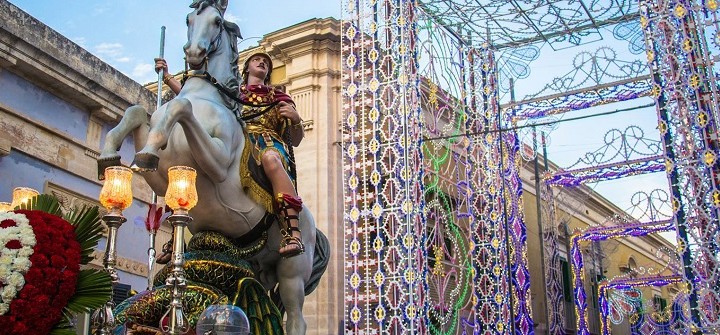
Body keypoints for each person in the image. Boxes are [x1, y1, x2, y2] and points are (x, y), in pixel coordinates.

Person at [155, 53, 306, 258]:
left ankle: (292, 230)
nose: (262, 62)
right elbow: (193, 98)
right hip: (236, 138)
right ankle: (176, 237)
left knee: (271, 161)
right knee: (190, 163)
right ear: (246, 68)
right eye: (256, 60)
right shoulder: (230, 92)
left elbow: (295, 139)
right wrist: (167, 77)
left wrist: (296, 119)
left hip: (266, 142)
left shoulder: (278, 96)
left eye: (266, 63)